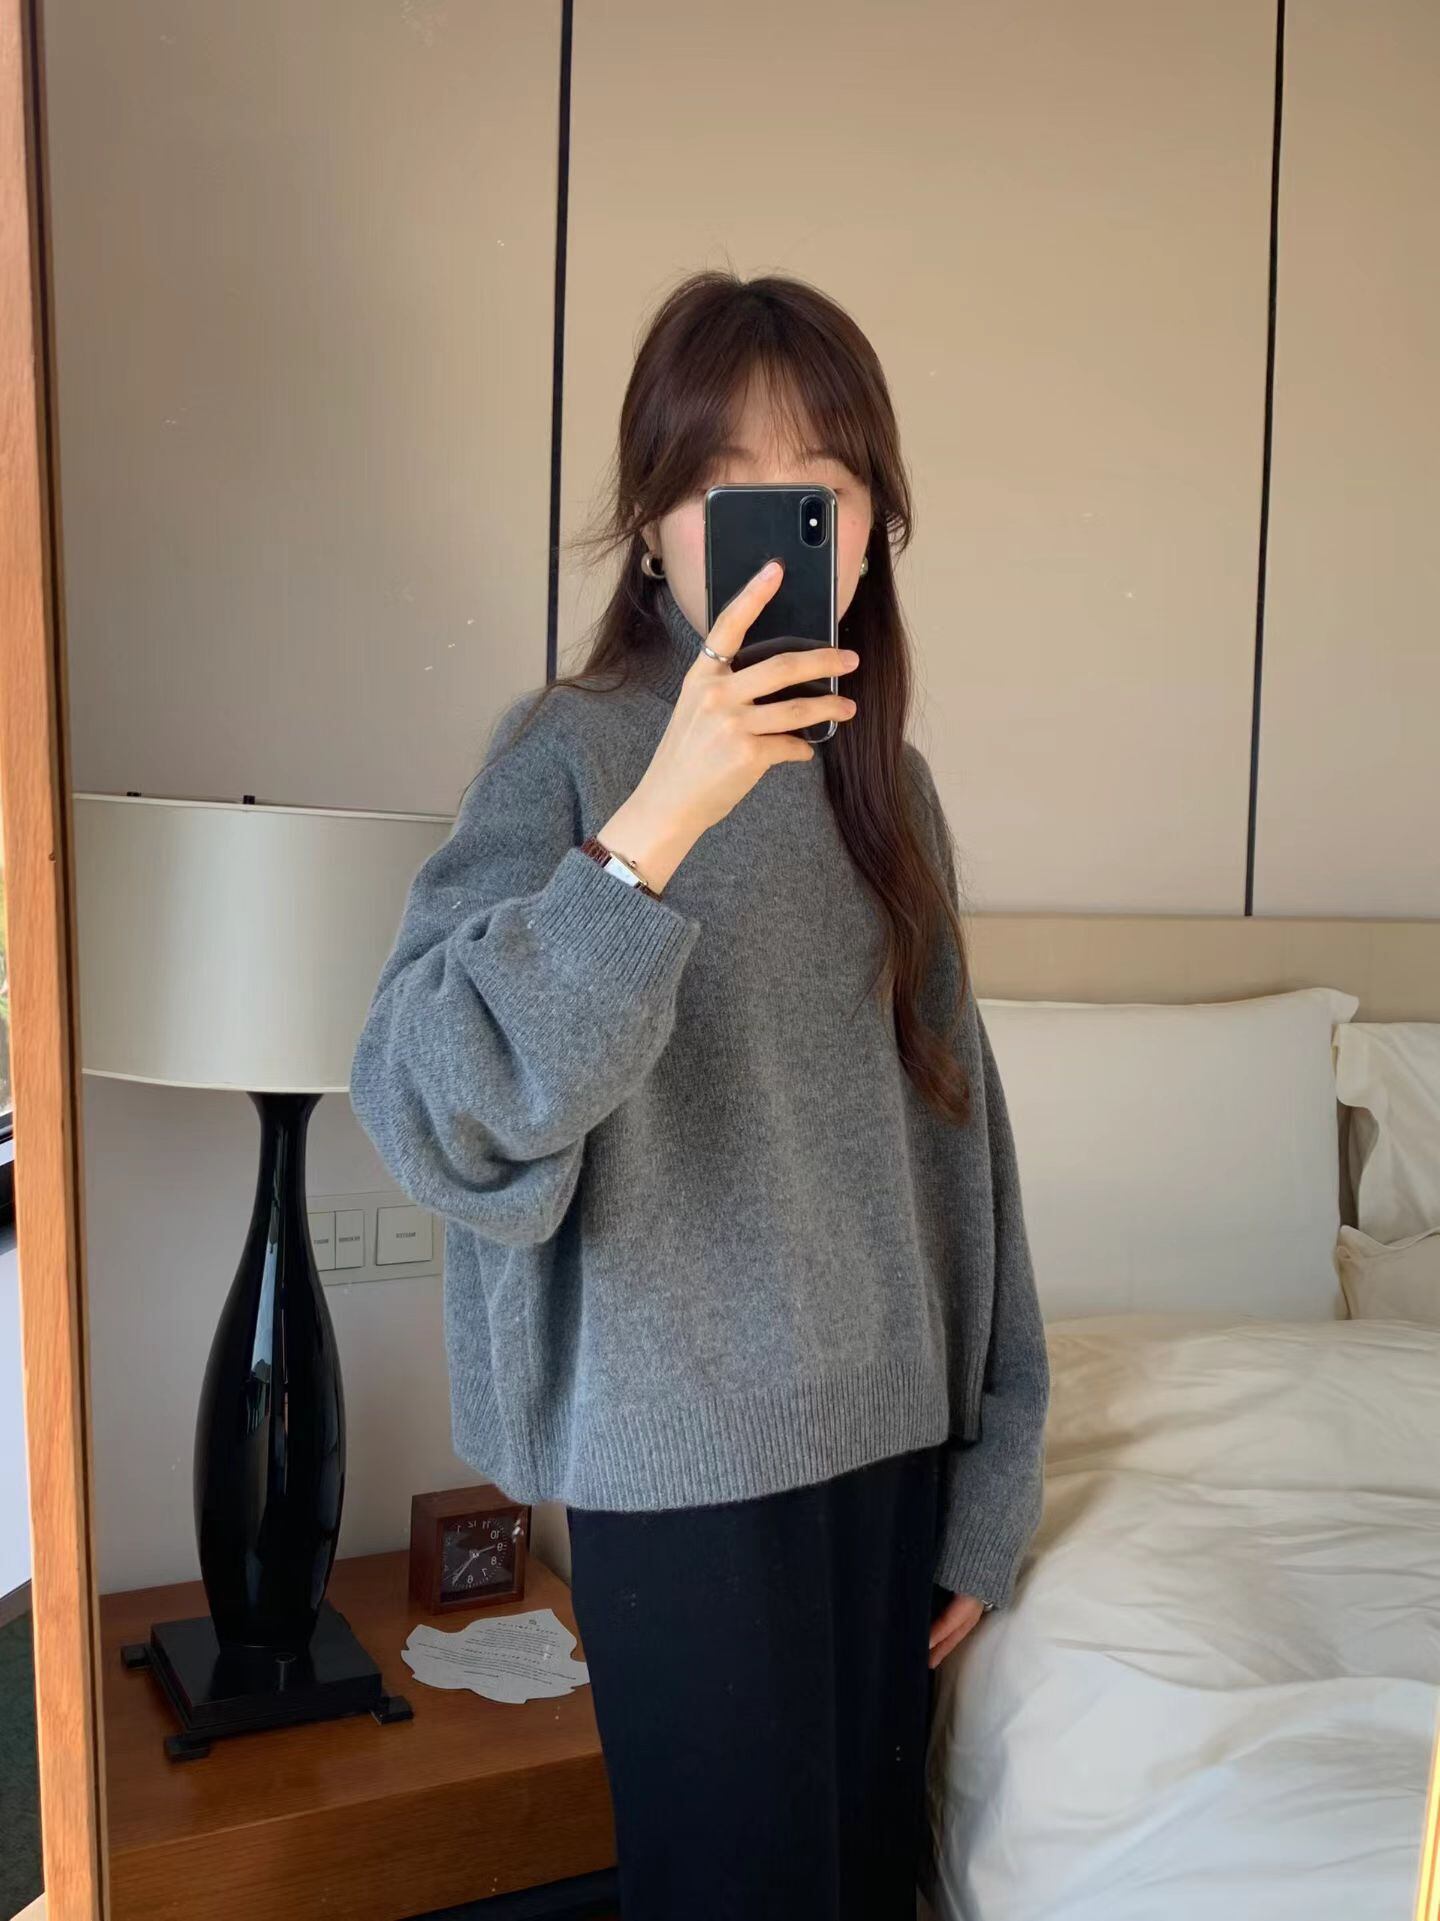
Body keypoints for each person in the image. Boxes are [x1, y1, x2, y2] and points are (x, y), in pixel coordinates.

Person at [349, 269, 1050, 1920]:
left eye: (824, 488)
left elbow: (964, 1146)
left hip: (891, 1457)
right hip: (676, 1476)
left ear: (871, 535)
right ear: (656, 532)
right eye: (724, 486)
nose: (779, 527)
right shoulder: (569, 753)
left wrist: (994, 1474)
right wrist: (658, 824)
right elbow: (432, 1103)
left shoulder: (891, 791)